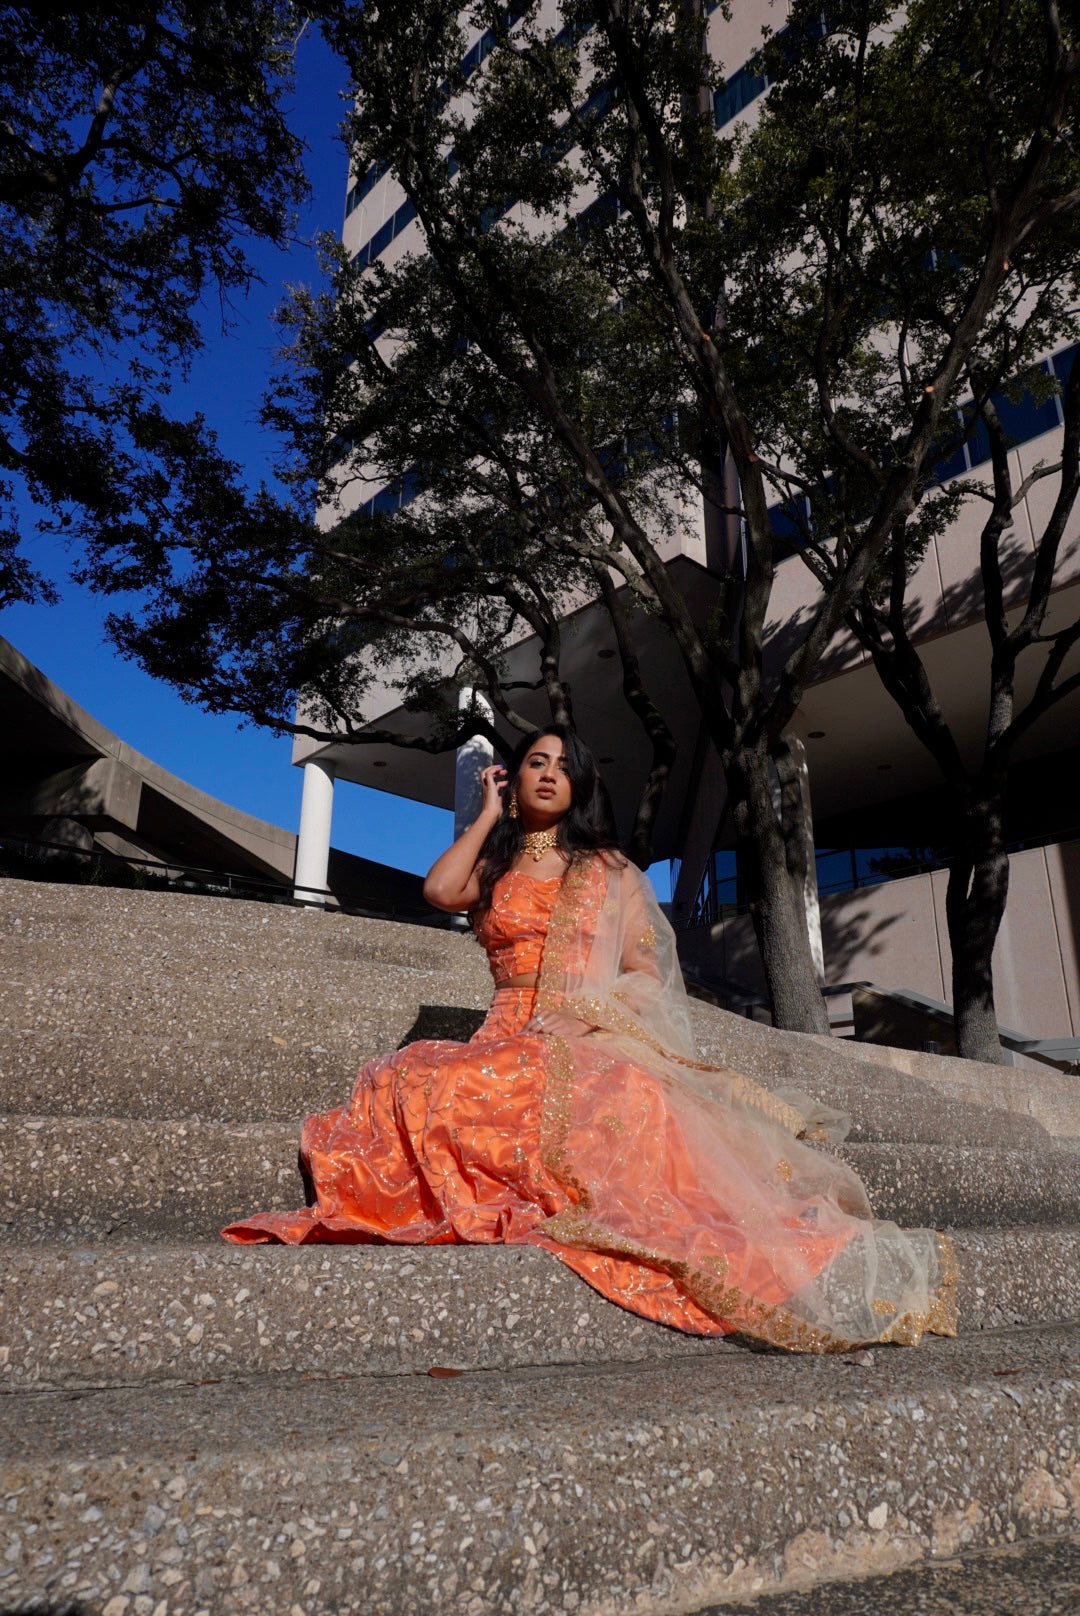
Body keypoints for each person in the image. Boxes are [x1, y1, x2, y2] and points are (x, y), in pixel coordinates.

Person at [223, 725, 957, 1351]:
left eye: (562, 766)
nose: (548, 774)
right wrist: (485, 812)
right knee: (410, 1076)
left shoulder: (607, 871)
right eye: (535, 763)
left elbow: (644, 972)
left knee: (564, 1106)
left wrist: (587, 1015)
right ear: (517, 781)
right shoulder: (499, 861)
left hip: (585, 1030)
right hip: (503, 1028)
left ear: (580, 787)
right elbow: (441, 892)